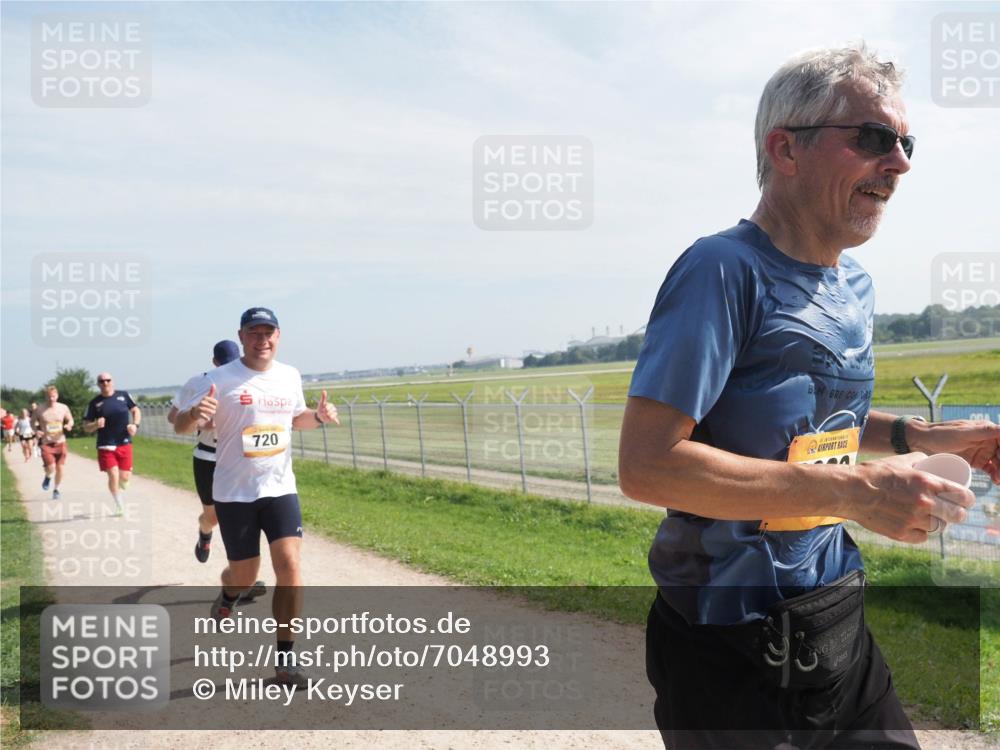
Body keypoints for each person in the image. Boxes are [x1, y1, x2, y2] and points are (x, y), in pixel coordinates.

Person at [618, 44, 1000, 749]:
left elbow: (817, 425)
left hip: (830, 610)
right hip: (726, 638)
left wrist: (928, 439)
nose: (901, 163)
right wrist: (856, 495)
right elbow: (647, 466)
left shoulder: (855, 287)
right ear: (786, 150)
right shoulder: (721, 270)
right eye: (873, 138)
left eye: (905, 143)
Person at [174, 307, 339, 686]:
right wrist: (196, 412)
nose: (261, 339)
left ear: (278, 336)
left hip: (280, 487)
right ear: (242, 336)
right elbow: (181, 425)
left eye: (268, 332)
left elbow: (297, 419)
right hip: (234, 492)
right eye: (253, 333)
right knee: (246, 575)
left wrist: (319, 416)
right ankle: (230, 593)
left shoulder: (289, 375)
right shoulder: (218, 379)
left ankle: (285, 663)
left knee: (290, 565)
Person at [83, 373, 142, 515]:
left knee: (124, 477)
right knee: (113, 475)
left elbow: (135, 410)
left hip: (124, 441)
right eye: (101, 381)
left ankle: (123, 482)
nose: (105, 383)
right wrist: (96, 424)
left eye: (107, 380)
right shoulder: (94, 403)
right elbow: (85, 426)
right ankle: (119, 504)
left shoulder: (124, 395)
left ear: (112, 382)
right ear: (98, 384)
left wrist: (135, 425)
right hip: (105, 444)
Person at [33, 387, 74, 499]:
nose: (51, 399)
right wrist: (36, 431)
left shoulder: (63, 408)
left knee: (60, 468)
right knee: (51, 467)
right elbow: (32, 422)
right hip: (46, 443)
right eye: (49, 396)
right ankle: (48, 476)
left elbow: (70, 419)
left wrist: (69, 425)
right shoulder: (39, 409)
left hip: (60, 442)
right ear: (45, 397)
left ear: (57, 396)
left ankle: (56, 489)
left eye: (53, 396)